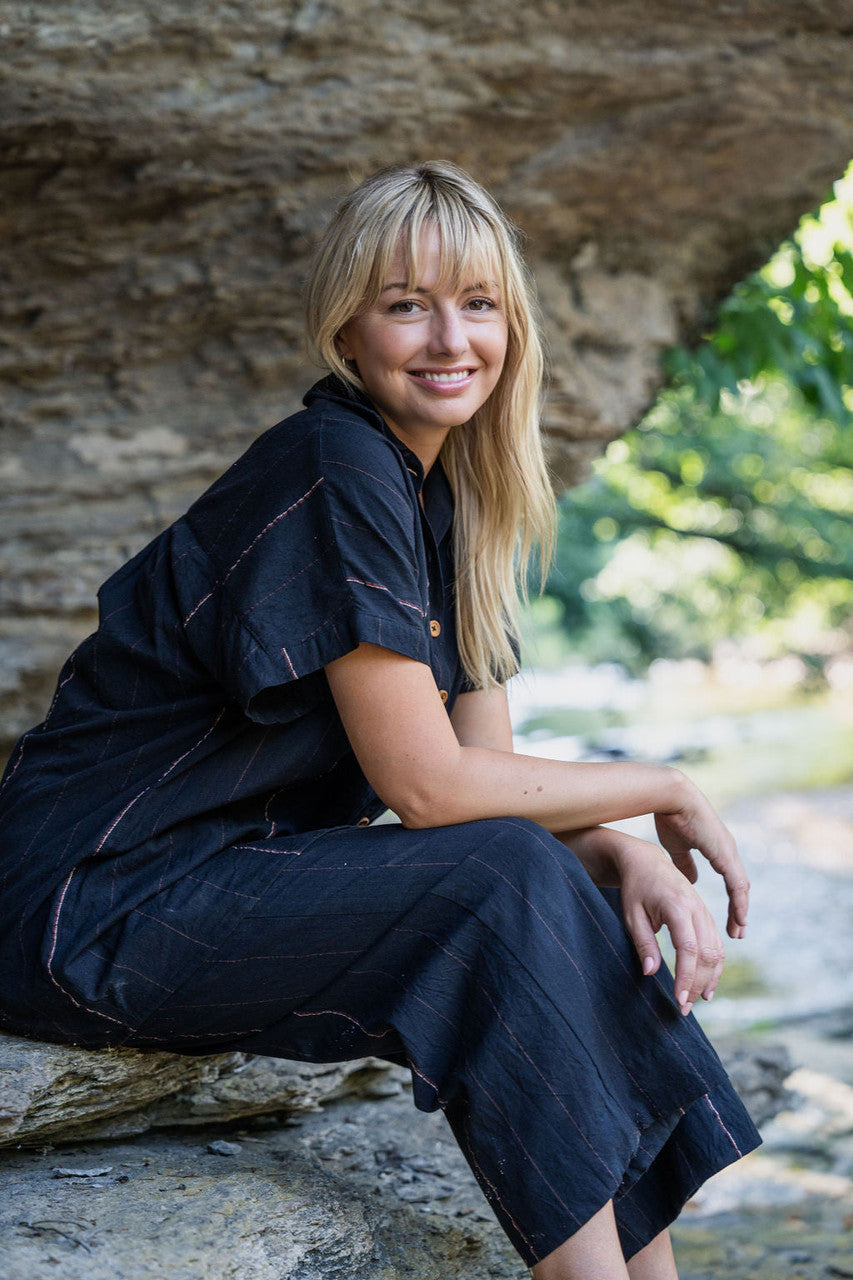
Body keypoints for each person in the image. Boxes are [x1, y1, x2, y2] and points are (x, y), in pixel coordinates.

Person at [0, 160, 759, 1278]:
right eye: (407, 304)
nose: (450, 337)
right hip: (88, 901)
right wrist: (668, 786)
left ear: (514, 324)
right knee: (500, 884)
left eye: (479, 302)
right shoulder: (333, 462)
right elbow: (433, 794)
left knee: (553, 890)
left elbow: (480, 778)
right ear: (346, 330)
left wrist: (611, 849)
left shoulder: (452, 498)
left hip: (205, 877)